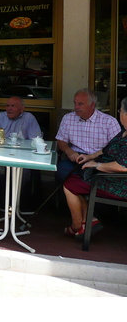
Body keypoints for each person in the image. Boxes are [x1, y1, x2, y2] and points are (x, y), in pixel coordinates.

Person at [62, 96, 127, 239]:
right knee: (74, 179)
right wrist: (90, 157)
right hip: (109, 177)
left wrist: (97, 165)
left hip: (119, 184)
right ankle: (89, 221)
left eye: (121, 110)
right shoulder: (123, 131)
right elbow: (106, 149)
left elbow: (123, 167)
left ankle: (77, 226)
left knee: (70, 185)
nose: (119, 113)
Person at [55, 88, 121, 183]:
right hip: (76, 158)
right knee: (61, 170)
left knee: (93, 178)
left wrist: (95, 159)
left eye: (80, 104)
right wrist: (69, 151)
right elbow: (60, 140)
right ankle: (70, 195)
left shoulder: (109, 122)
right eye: (75, 103)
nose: (76, 107)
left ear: (92, 105)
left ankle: (81, 196)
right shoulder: (68, 118)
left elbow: (117, 147)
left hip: (99, 160)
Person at [0, 96, 42, 200]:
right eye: (7, 106)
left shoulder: (29, 118)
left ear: (22, 108)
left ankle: (17, 197)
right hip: (1, 152)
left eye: (13, 106)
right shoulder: (0, 117)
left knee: (24, 169)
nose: (9, 109)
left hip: (22, 153)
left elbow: (36, 139)